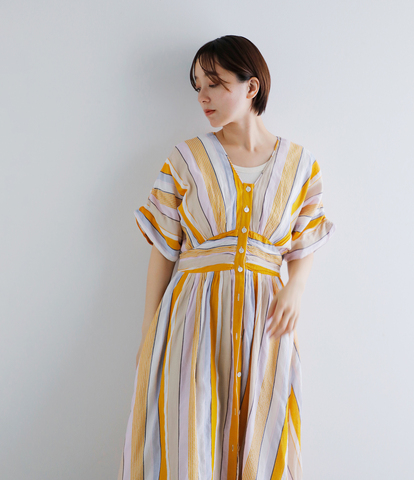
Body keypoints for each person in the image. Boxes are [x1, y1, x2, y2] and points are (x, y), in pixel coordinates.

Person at [117, 35, 336, 480]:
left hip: (266, 322)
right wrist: (148, 332)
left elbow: (306, 239)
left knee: (263, 435)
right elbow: (164, 250)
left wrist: (295, 286)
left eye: (214, 84)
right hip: (191, 322)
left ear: (251, 87)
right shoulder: (186, 158)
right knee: (188, 437)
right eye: (198, 86)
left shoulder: (300, 165)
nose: (203, 96)